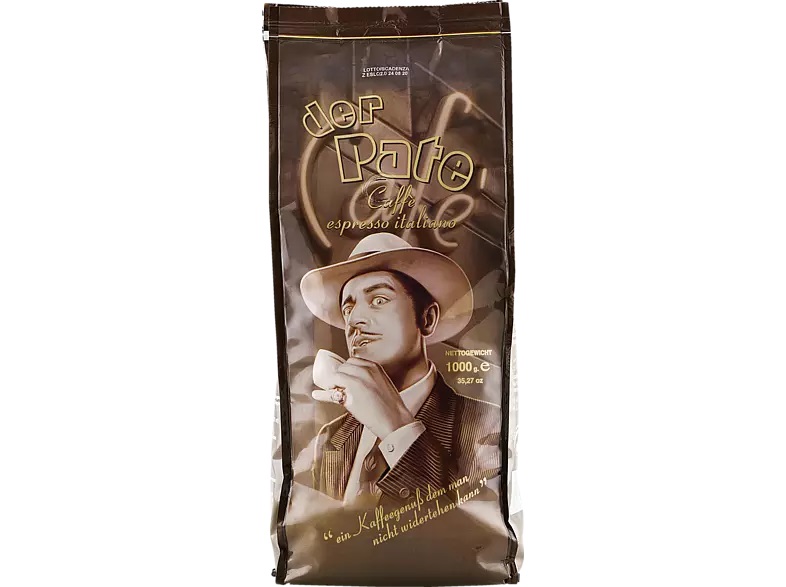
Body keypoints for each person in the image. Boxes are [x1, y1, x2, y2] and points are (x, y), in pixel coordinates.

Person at [300, 232, 501, 507]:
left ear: (427, 318)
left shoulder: (485, 423)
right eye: (348, 309)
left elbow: (467, 525)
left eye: (379, 300)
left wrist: (396, 428)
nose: (354, 320)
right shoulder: (330, 438)